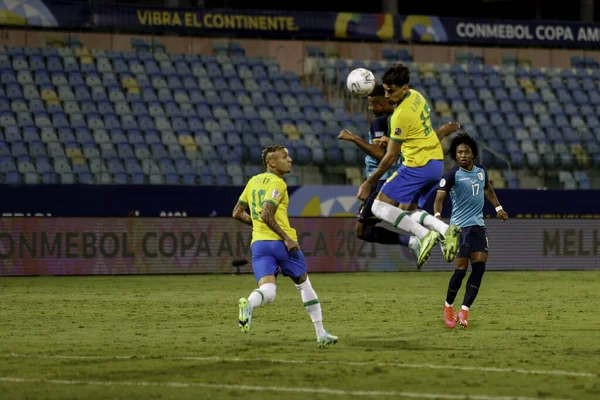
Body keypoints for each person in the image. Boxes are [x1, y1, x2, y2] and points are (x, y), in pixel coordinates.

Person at [339, 84, 461, 263]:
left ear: (383, 102)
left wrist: (353, 138)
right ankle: (443, 230)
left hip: (385, 178)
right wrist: (441, 132)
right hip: (412, 171)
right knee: (407, 210)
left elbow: (382, 155)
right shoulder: (407, 115)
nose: (370, 108)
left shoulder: (381, 122)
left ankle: (417, 240)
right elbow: (419, 144)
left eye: (373, 104)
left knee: (363, 229)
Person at [232, 145, 338, 348]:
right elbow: (266, 213)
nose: (289, 160)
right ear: (271, 162)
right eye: (284, 157)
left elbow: (237, 212)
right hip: (282, 244)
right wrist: (286, 238)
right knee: (304, 284)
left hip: (259, 244)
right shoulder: (277, 183)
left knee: (268, 291)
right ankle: (321, 333)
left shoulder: (253, 181)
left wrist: (258, 226)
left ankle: (249, 304)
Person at [433, 132, 509, 328]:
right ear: (455, 156)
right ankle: (448, 306)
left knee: (479, 268)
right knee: (460, 271)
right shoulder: (451, 175)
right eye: (459, 152)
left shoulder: (481, 172)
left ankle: (464, 310)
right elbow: (439, 199)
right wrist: (437, 217)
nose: (463, 155)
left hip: (478, 228)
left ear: (472, 154)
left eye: (466, 151)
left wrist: (498, 208)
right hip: (459, 229)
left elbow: (489, 190)